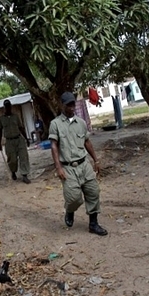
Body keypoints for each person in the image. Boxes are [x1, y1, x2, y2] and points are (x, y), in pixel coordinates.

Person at [48, 92, 107, 236]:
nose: (72, 107)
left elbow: (87, 142)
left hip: (84, 164)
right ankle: (70, 211)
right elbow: (54, 145)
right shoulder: (55, 124)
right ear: (62, 105)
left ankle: (93, 224)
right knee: (73, 198)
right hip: (67, 167)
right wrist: (58, 167)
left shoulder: (80, 123)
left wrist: (96, 160)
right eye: (68, 105)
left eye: (73, 104)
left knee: (93, 192)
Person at [0, 99, 31, 183]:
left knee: (23, 157)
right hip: (9, 141)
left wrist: (26, 138)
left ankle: (24, 175)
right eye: (6, 106)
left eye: (9, 106)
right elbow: (0, 131)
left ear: (10, 107)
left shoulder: (16, 117)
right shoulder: (1, 119)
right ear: (4, 107)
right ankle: (13, 172)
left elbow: (21, 128)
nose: (8, 108)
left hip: (19, 139)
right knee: (12, 160)